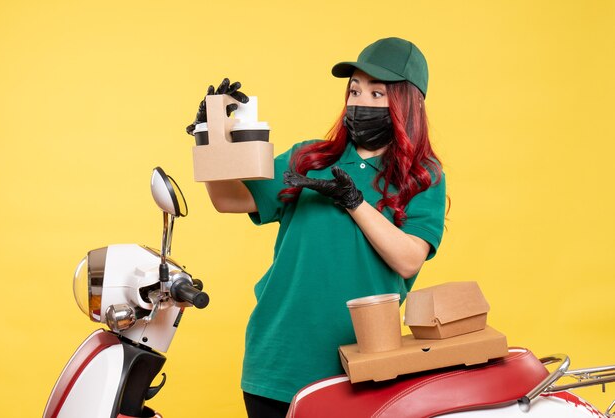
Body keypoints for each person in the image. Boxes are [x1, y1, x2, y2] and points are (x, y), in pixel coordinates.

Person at [187, 37, 447, 418]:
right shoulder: (309, 158)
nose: (361, 102)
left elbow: (409, 260)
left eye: (378, 94)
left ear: (409, 104)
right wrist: (209, 139)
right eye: (355, 90)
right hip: (279, 361)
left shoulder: (422, 178)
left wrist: (354, 202)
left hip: (362, 368)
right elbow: (228, 200)